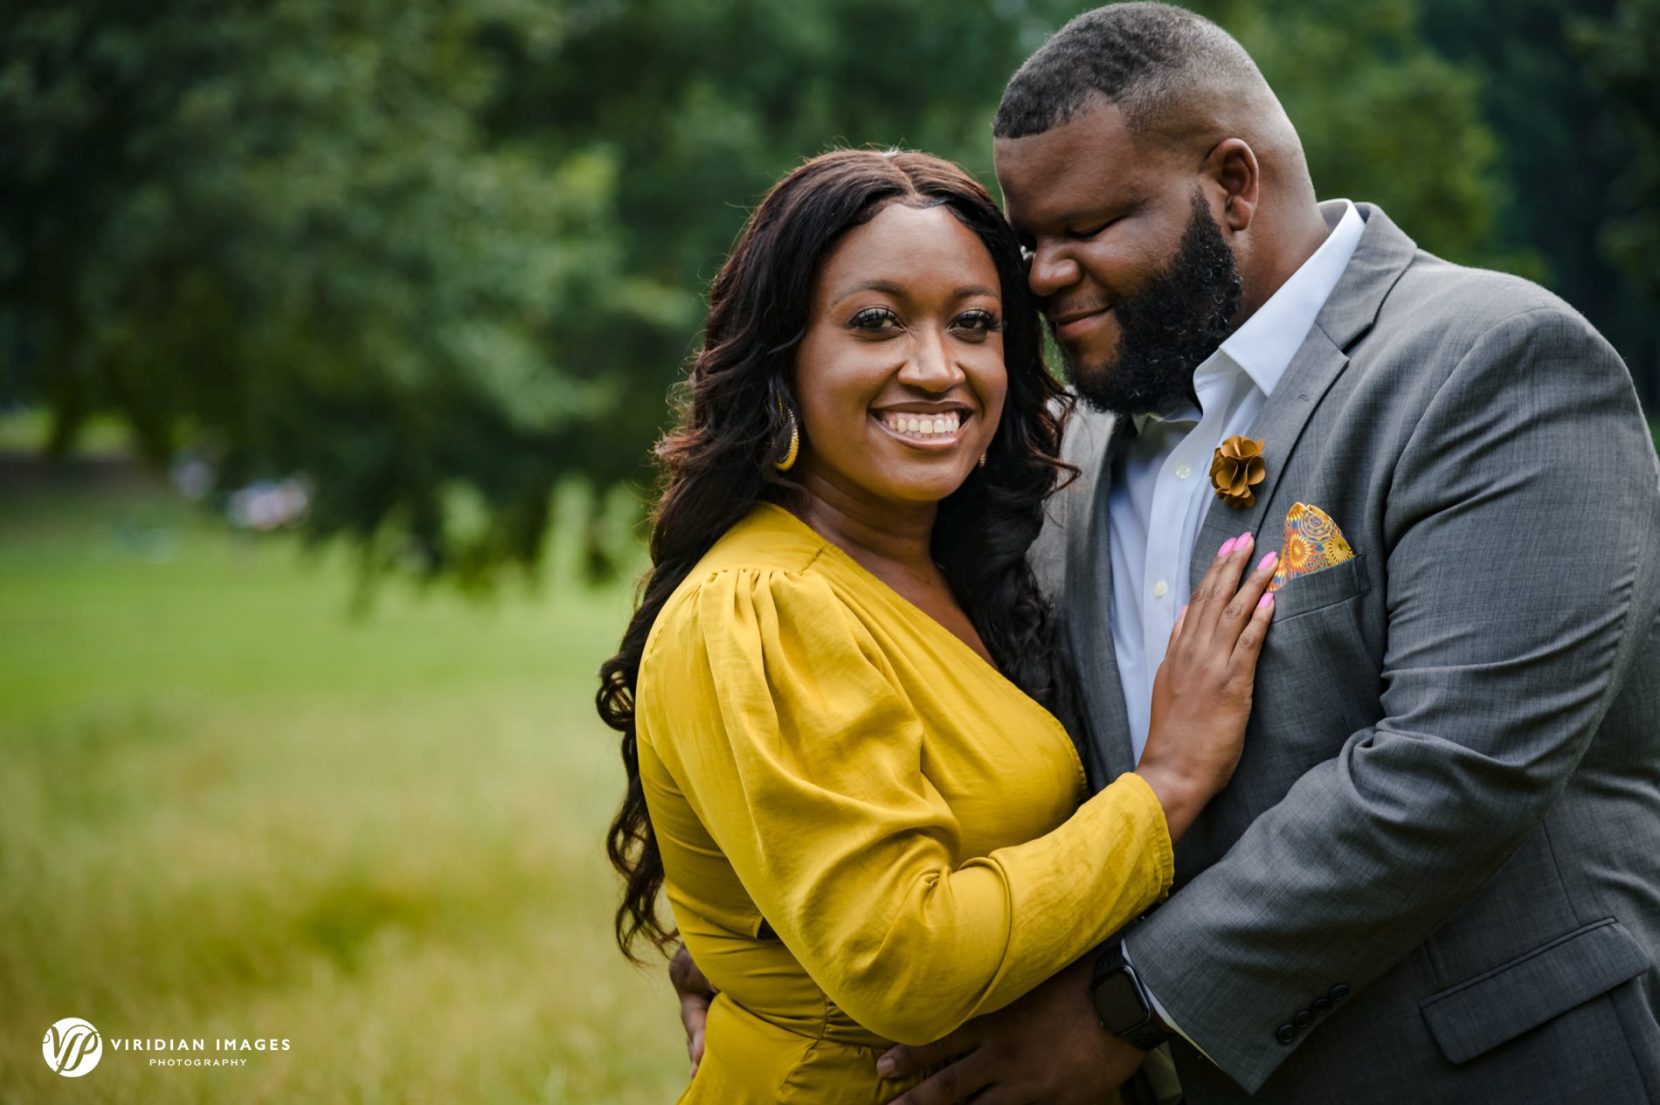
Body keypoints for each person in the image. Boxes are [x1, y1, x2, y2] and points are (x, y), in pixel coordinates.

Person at [858, 5, 1660, 1103]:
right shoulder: (1081, 443)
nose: (1040, 276)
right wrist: (777, 925)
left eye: (1085, 226)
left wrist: (1124, 1010)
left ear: (1232, 185)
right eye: (1029, 240)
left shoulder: (1493, 365)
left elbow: (1451, 773)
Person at [597, 147, 1282, 1104]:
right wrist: (1165, 788)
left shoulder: (959, 566)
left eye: (973, 325)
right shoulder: (764, 604)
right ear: (781, 355)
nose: (935, 369)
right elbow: (900, 960)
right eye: (875, 323)